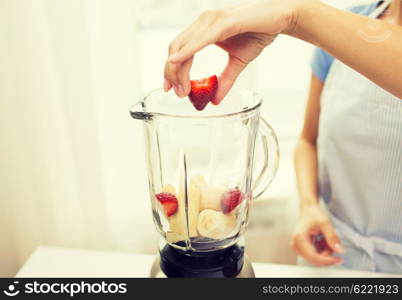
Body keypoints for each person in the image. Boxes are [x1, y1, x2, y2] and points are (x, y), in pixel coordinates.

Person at [163, 0, 402, 274]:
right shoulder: (348, 25)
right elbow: (307, 141)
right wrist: (310, 208)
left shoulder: (335, 28)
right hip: (333, 252)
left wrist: (295, 14)